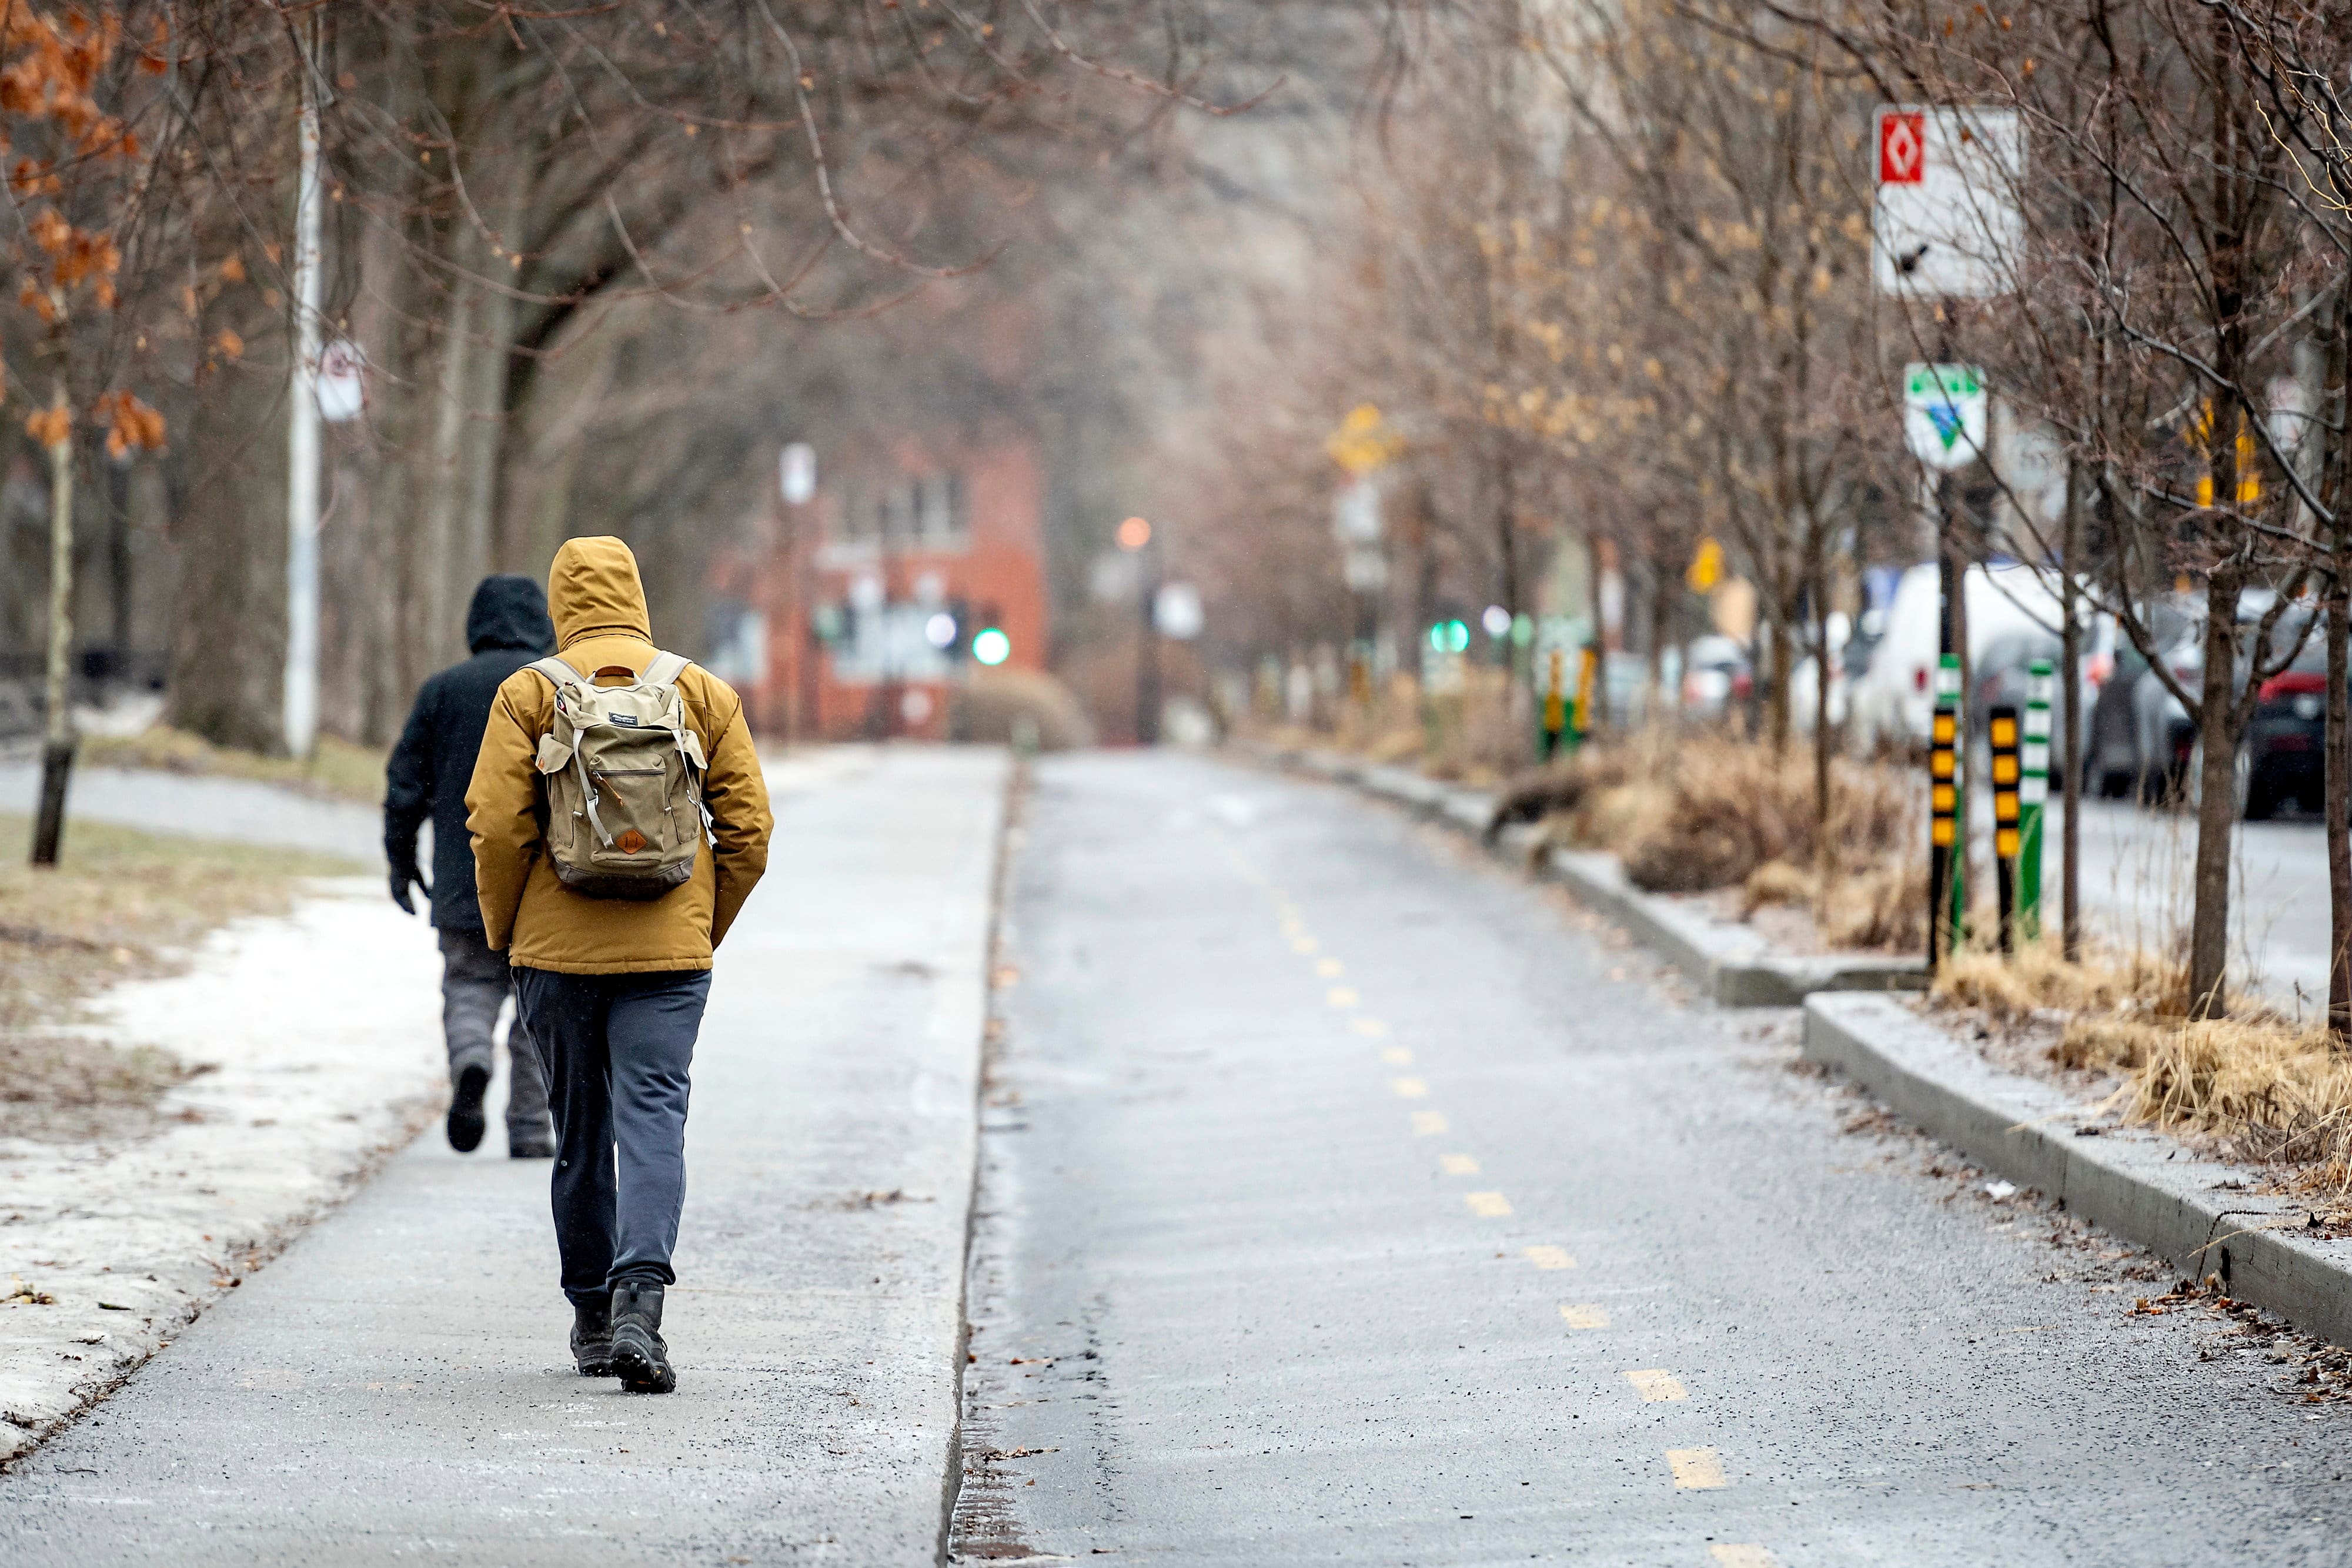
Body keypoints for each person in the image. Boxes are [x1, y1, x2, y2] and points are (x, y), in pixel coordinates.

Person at [466, 536, 771, 1393]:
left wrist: (507, 929)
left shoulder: (529, 693)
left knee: (579, 1131)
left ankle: (593, 1319)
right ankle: (642, 1302)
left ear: (560, 603)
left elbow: (495, 827)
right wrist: (700, 926)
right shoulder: (700, 691)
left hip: (555, 954)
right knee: (653, 1118)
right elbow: (749, 831)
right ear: (637, 595)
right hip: (668, 956)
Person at [386, 574, 559, 1158]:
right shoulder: (556, 687)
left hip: (465, 880)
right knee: (540, 1006)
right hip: (543, 882)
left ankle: (471, 1060)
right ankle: (530, 1128)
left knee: (469, 985)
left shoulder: (443, 690)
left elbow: (404, 785)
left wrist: (401, 862)